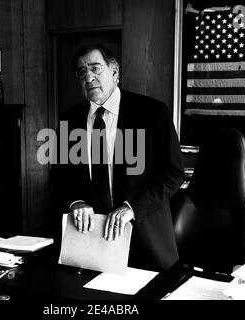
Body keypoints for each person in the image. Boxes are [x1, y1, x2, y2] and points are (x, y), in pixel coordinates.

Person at [52, 44, 184, 270]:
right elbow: (59, 177)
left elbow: (173, 173)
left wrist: (130, 208)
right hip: (90, 245)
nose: (89, 77)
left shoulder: (152, 112)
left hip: (145, 241)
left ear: (114, 71)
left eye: (95, 68)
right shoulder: (68, 120)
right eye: (82, 72)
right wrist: (76, 201)